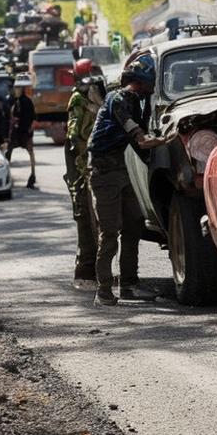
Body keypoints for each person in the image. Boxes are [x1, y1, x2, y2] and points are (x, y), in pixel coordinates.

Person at [87, 57, 163, 307]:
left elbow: (138, 141)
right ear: (141, 83)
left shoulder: (135, 101)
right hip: (103, 172)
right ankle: (104, 290)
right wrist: (165, 140)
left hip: (118, 168)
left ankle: (129, 284)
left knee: (134, 223)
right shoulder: (119, 99)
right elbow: (139, 138)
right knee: (109, 232)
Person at [65, 60, 105, 290]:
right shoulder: (78, 100)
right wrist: (87, 157)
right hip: (83, 171)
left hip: (93, 167)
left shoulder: (95, 97)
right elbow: (74, 136)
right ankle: (86, 274)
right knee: (88, 224)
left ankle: (100, 274)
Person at [7, 75, 38, 188]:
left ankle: (33, 175)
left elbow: (34, 118)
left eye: (17, 88)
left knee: (30, 152)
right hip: (16, 132)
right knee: (8, 152)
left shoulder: (27, 102)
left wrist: (30, 129)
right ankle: (6, 176)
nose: (16, 90)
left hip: (26, 132)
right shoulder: (14, 102)